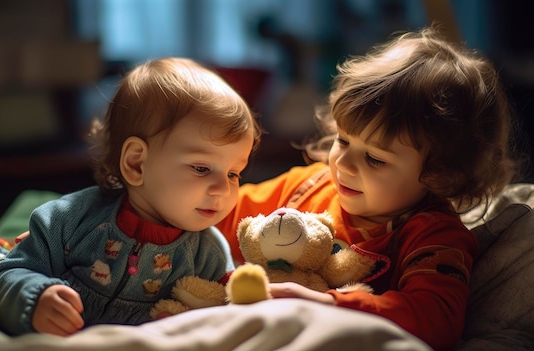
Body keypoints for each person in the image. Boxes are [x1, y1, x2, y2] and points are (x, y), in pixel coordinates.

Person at [215, 27, 519, 351]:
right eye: (342, 140)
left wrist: (325, 304)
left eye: (374, 159)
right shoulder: (309, 185)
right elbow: (217, 217)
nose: (343, 165)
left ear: (440, 174)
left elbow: (434, 320)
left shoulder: (432, 235)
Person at [0, 57, 261, 336]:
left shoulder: (208, 255)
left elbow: (224, 318)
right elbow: (6, 274)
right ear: (136, 164)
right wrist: (35, 299)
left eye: (233, 173)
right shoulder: (69, 219)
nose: (223, 190)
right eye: (201, 168)